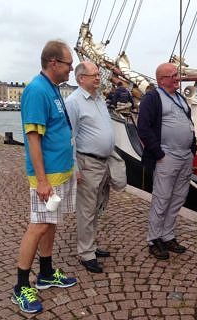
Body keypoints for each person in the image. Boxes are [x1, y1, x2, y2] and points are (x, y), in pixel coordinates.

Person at [12, 40, 77, 314]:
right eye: (68, 65)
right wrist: (41, 180)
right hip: (47, 175)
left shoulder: (52, 88)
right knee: (38, 225)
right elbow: (33, 139)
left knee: (50, 223)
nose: (70, 70)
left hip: (60, 172)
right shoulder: (37, 91)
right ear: (53, 63)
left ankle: (47, 273)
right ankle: (20, 285)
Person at [137, 62, 197, 260]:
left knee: (178, 198)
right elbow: (143, 127)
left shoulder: (179, 97)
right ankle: (154, 239)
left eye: (177, 74)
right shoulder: (152, 98)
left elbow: (187, 122)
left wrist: (192, 147)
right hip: (167, 156)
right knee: (161, 199)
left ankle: (168, 235)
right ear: (162, 79)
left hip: (185, 156)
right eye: (173, 75)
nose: (177, 77)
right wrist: (159, 153)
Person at [66, 61, 115, 273]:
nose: (98, 78)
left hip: (103, 162)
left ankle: (92, 246)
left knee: (96, 207)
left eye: (98, 75)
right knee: (86, 210)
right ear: (80, 79)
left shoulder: (99, 99)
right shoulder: (74, 102)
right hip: (87, 162)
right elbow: (70, 137)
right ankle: (86, 253)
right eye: (94, 75)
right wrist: (74, 167)